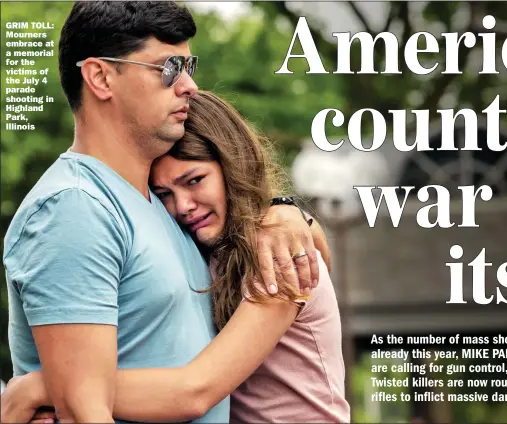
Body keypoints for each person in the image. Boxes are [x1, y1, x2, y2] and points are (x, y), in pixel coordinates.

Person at [1, 2, 328, 423]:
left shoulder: (162, 207)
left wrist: (282, 212)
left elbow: (315, 261)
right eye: (169, 67)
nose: (189, 85)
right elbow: (86, 412)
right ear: (100, 77)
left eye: (189, 65)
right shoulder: (73, 208)